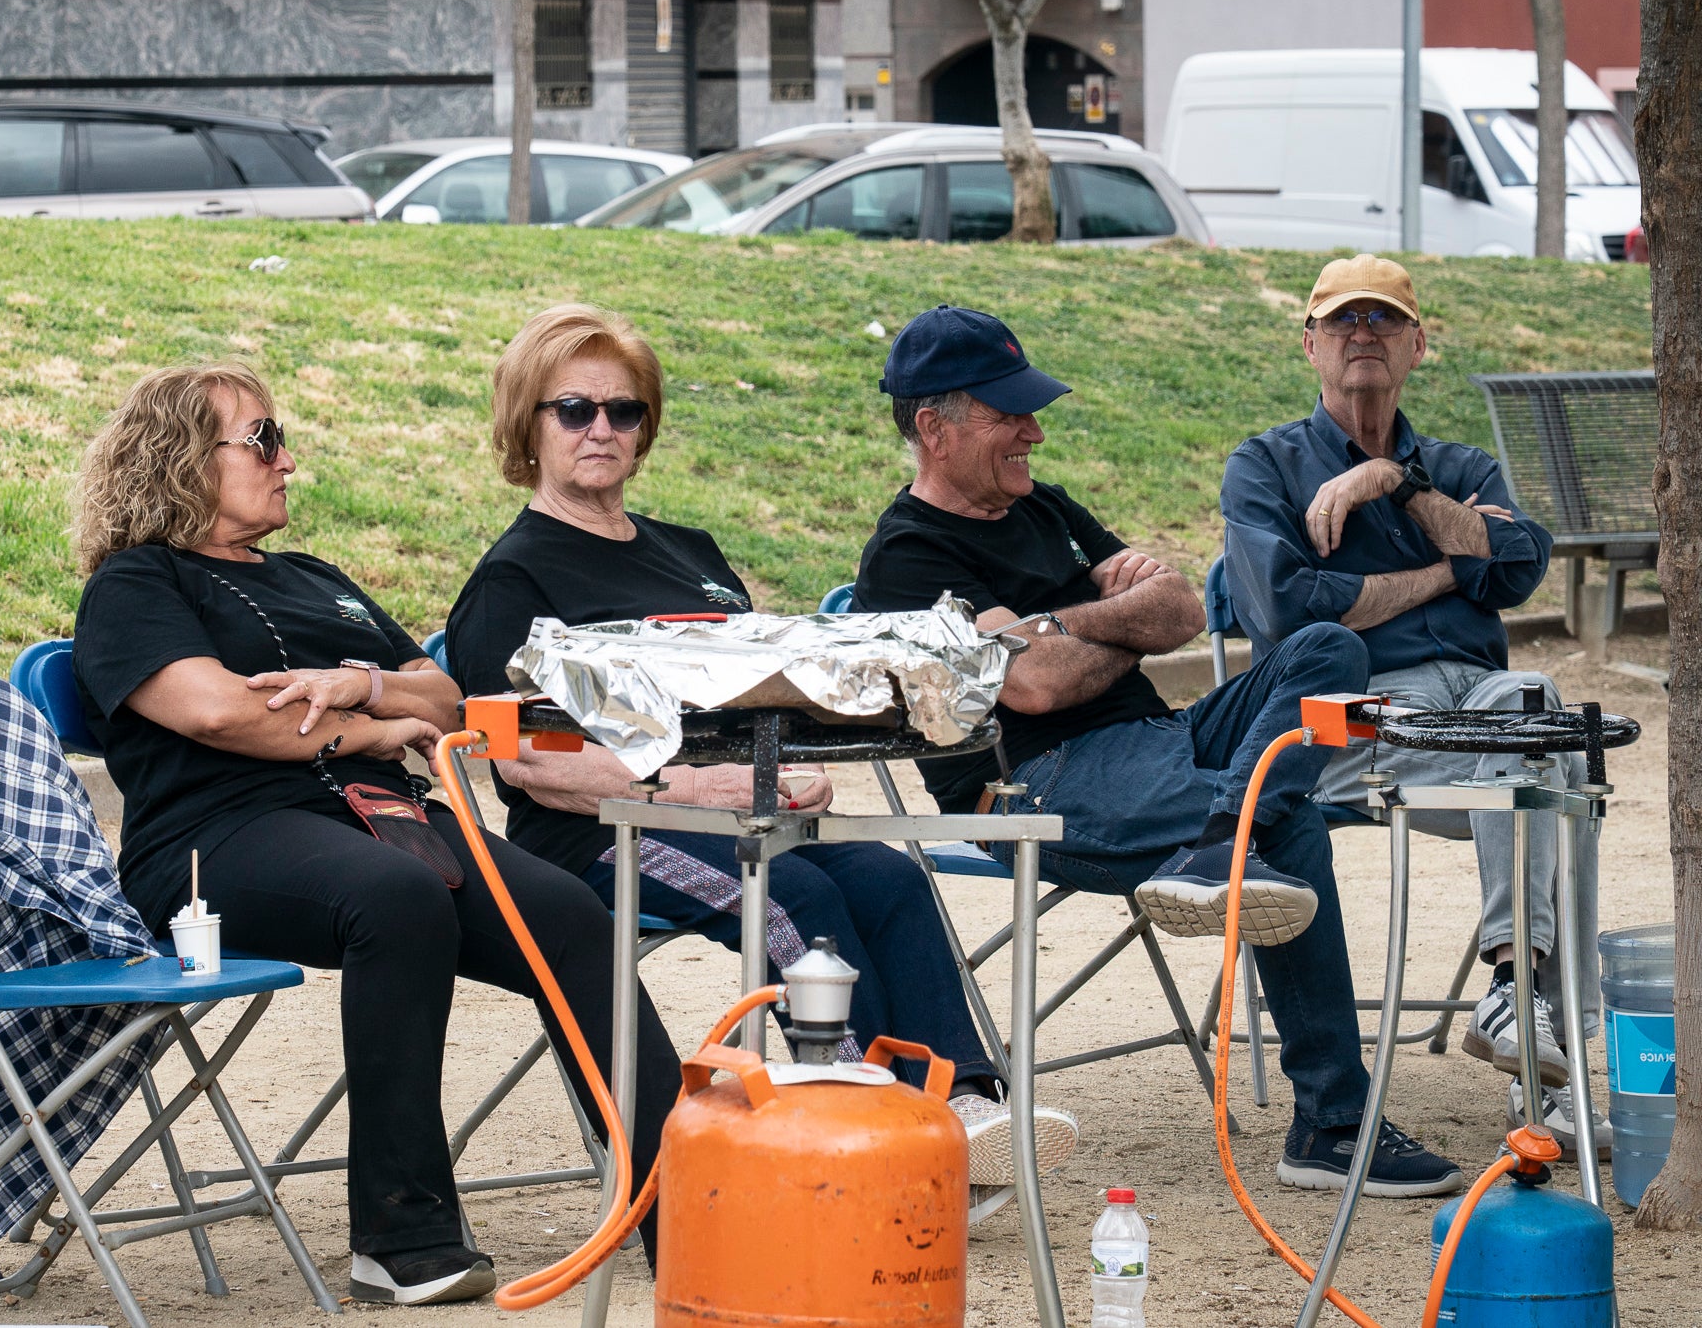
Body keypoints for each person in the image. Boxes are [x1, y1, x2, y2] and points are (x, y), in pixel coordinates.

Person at [69, 362, 682, 1305]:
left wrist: (362, 684)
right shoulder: (135, 584)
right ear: (184, 457)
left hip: (381, 820)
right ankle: (401, 1234)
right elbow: (223, 714)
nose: (288, 460)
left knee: (569, 914)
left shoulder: (316, 579)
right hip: (213, 838)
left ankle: (686, 1195)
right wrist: (379, 728)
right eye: (265, 439)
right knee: (393, 900)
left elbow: (445, 695)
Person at [445, 303, 1080, 1188]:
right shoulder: (513, 580)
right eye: (574, 410)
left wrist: (804, 769)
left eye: (622, 410)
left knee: (891, 875)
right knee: (794, 890)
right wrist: (692, 788)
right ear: (529, 424)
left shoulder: (690, 553)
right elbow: (530, 762)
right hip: (606, 831)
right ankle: (871, 1132)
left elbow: (777, 692)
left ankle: (963, 1105)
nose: (602, 429)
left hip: (747, 811)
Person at [854, 304, 1464, 1198]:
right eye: (1007, 413)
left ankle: (1226, 835)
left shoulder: (1044, 506)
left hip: (1164, 740)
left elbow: (1179, 608)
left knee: (1327, 651)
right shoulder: (906, 557)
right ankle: (1333, 1121)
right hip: (1037, 781)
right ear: (933, 429)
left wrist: (1055, 627)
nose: (1034, 429)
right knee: (1284, 824)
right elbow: (1033, 690)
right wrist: (1105, 628)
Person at [1220, 253, 1606, 1158]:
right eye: (1344, 321)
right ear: (1309, 343)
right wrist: (1448, 568)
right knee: (1551, 739)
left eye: (1385, 320)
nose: (1365, 334)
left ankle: (1523, 994)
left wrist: (1392, 483)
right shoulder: (1264, 466)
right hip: (1346, 722)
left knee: (1546, 722)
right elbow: (1287, 609)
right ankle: (1541, 1022)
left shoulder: (1457, 463)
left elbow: (1519, 564)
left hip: (1481, 713)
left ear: (1418, 346)